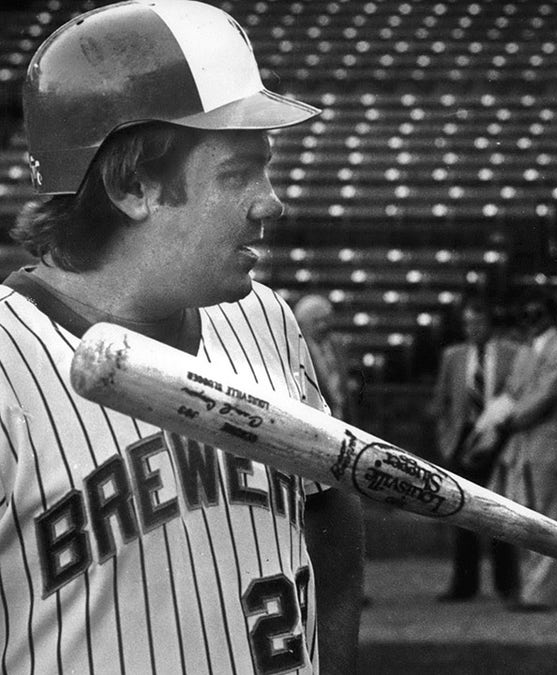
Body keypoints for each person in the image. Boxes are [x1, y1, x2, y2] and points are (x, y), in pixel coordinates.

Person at [0, 1, 363, 672]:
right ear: (133, 183)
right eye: (238, 172)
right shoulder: (6, 363)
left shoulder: (266, 320)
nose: (271, 201)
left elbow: (332, 522)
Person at [474, 287, 557, 611]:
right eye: (527, 313)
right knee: (523, 517)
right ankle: (528, 590)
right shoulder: (526, 350)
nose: (531, 319)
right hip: (520, 446)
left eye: (538, 313)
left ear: (550, 315)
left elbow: (544, 396)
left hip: (545, 444)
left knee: (545, 519)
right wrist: (494, 420)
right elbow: (513, 390)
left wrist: (510, 419)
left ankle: (539, 595)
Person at [426, 296, 522, 602]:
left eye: (477, 323)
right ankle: (464, 585)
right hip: (462, 440)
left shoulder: (511, 353)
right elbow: (441, 403)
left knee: (501, 514)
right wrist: (446, 441)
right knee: (462, 514)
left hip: (498, 440)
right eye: (467, 323)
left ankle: (506, 584)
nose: (472, 329)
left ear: (489, 324)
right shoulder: (452, 356)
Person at [294, 294, 356, 423]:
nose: (322, 326)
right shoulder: (297, 350)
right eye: (315, 321)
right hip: (315, 420)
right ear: (302, 324)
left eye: (325, 320)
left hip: (343, 419)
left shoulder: (338, 345)